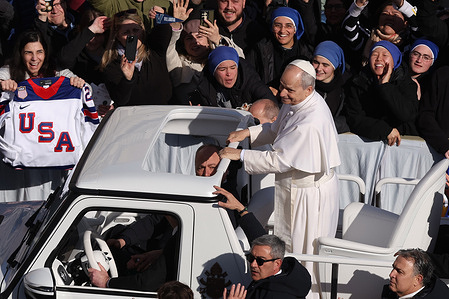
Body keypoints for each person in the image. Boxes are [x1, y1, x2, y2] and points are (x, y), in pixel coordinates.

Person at [220, 59, 340, 298]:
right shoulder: (296, 100)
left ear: (309, 89)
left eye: (289, 90)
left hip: (307, 198)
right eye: (282, 86)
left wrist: (240, 154)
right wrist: (248, 132)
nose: (282, 94)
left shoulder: (311, 121)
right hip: (295, 187)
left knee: (303, 253)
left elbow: (279, 160)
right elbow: (277, 130)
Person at [344, 40, 419, 146]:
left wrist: (385, 86)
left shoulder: (406, 83)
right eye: (374, 55)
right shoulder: (359, 81)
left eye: (385, 55)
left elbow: (406, 114)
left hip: (402, 145)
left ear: (395, 59)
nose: (379, 59)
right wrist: (384, 130)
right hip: (370, 143)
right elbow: (354, 118)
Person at [100, 8, 172, 107]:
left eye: (135, 30)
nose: (132, 36)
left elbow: (164, 32)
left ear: (142, 31)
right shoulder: (112, 63)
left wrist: (161, 16)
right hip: (133, 117)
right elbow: (120, 100)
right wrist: (127, 79)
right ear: (117, 36)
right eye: (126, 32)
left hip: (162, 112)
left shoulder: (153, 49)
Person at [247, 7, 313, 95]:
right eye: (278, 25)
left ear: (295, 29)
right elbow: (249, 78)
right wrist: (265, 90)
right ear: (272, 27)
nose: (282, 30)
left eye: (288, 26)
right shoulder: (260, 49)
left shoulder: (305, 53)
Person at [225, 234, 311, 299]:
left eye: (260, 261)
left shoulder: (278, 295)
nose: (253, 264)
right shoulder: (281, 280)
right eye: (251, 258)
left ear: (277, 264)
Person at [186, 46, 276, 107]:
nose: (229, 73)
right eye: (222, 69)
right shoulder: (204, 87)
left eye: (233, 68)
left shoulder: (250, 80)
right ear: (213, 72)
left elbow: (271, 104)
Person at [0, 30, 84, 91]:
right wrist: (3, 84)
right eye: (28, 53)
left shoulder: (56, 70)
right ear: (21, 54)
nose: (34, 58)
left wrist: (78, 83)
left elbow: (87, 90)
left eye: (39, 52)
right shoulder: (11, 70)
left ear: (45, 53)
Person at [312, 40, 350, 133]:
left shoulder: (345, 89)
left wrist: (325, 126)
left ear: (335, 66)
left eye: (325, 65)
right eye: (316, 62)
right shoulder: (304, 83)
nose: (319, 68)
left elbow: (349, 119)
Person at [381, 249, 449, 298]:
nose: (391, 274)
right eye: (393, 268)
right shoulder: (392, 291)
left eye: (399, 271)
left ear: (418, 279)